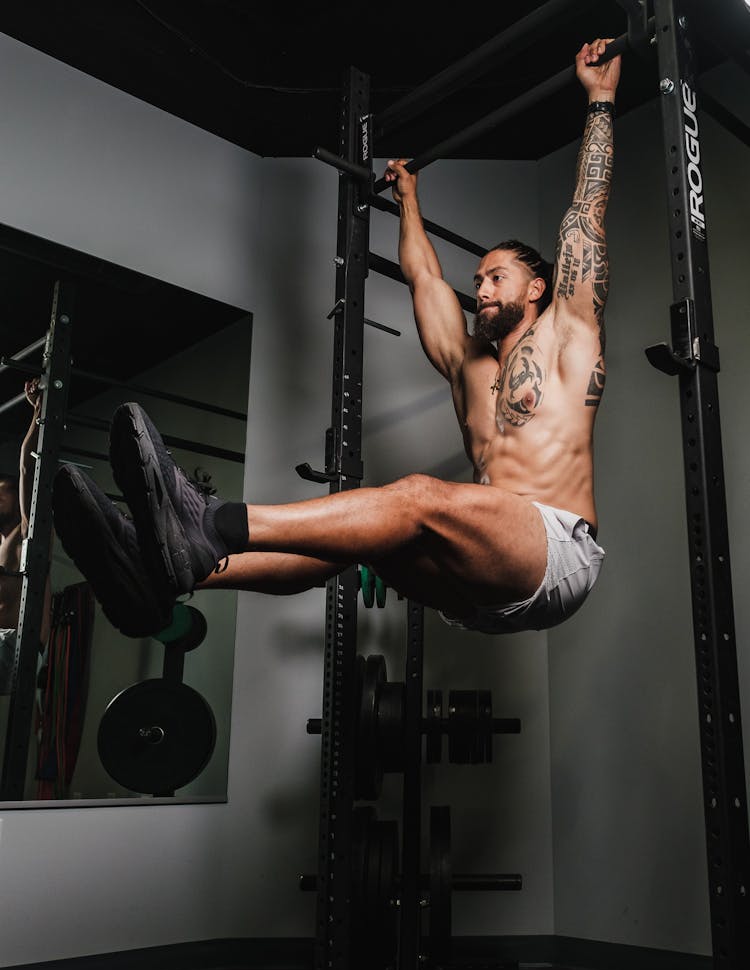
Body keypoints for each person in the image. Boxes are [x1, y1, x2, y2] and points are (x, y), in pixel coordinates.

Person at [51, 38, 618, 640]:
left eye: (496, 277)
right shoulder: (468, 367)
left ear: (538, 289)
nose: (479, 287)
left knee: (417, 497)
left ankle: (211, 521)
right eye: (477, 278)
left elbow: (586, 214)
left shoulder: (567, 334)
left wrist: (601, 99)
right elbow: (423, 276)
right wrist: (408, 200)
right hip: (482, 584)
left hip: (555, 552)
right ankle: (155, 572)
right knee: (359, 538)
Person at [0, 379, 52, 692]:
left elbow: (28, 470)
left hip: (20, 644)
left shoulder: (26, 530)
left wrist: (39, 411)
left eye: (1, 493)